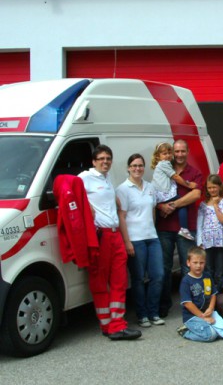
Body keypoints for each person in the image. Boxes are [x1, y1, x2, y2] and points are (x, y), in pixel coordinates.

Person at [78, 144, 141, 340]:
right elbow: (65, 190)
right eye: (101, 159)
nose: (105, 162)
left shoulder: (107, 179)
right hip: (101, 236)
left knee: (119, 281)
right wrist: (85, 204)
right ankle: (109, 325)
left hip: (115, 235)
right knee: (99, 281)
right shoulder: (84, 177)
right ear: (93, 161)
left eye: (108, 158)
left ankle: (116, 324)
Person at [156, 139, 203, 318]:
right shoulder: (163, 168)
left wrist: (173, 204)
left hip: (186, 228)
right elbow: (155, 191)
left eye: (183, 151)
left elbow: (196, 194)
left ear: (187, 152)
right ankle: (164, 306)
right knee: (164, 268)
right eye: (176, 151)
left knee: (188, 268)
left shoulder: (195, 172)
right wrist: (161, 206)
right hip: (165, 227)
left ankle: (190, 306)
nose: (179, 155)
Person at [116, 153, 164, 328]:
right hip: (135, 240)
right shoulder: (123, 189)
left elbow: (152, 212)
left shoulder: (150, 187)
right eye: (134, 165)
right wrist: (127, 241)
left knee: (158, 275)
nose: (137, 168)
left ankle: (153, 312)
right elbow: (122, 217)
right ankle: (142, 315)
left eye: (140, 165)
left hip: (152, 237)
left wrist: (154, 230)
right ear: (128, 168)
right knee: (138, 279)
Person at [177, 247, 223, 342]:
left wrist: (211, 308)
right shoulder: (186, 281)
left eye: (201, 263)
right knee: (211, 336)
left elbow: (213, 294)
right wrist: (203, 317)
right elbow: (188, 303)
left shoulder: (207, 276)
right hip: (192, 316)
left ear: (205, 263)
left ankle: (206, 327)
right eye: (195, 263)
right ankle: (185, 331)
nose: (198, 266)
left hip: (207, 313)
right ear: (188, 263)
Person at [150, 142, 198, 241]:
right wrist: (188, 185)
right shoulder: (164, 164)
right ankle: (184, 228)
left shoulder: (161, 165)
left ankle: (154, 228)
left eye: (169, 153)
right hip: (164, 194)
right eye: (164, 154)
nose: (167, 156)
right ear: (158, 156)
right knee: (182, 202)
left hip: (161, 195)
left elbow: (197, 195)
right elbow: (175, 177)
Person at [197, 174, 223, 288]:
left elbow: (222, 219)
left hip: (221, 241)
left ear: (220, 187)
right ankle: (208, 296)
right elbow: (199, 224)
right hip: (207, 242)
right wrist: (199, 241)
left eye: (214, 187)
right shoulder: (203, 205)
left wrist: (216, 205)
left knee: (220, 271)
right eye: (209, 187)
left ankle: (220, 297)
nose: (212, 190)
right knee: (208, 271)